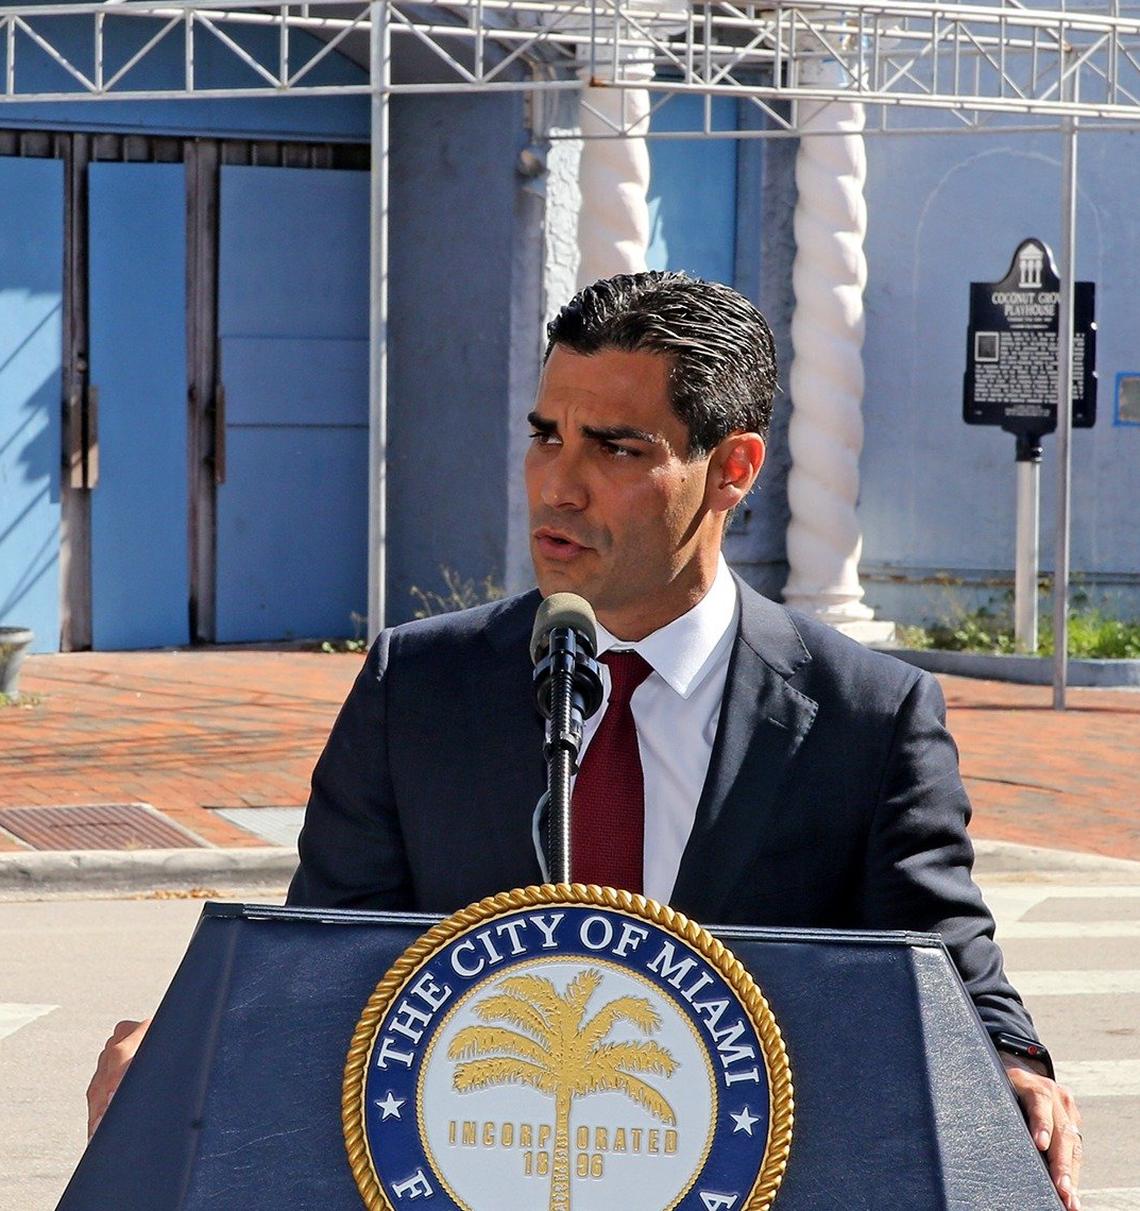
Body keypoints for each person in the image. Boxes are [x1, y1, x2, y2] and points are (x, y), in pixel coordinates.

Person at [89, 271, 1082, 1207]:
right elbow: (332, 967)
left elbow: (943, 958)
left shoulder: (868, 714)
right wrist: (193, 1050)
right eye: (544, 434)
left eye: (614, 448)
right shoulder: (419, 688)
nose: (557, 485)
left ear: (732, 468)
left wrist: (1013, 1063)